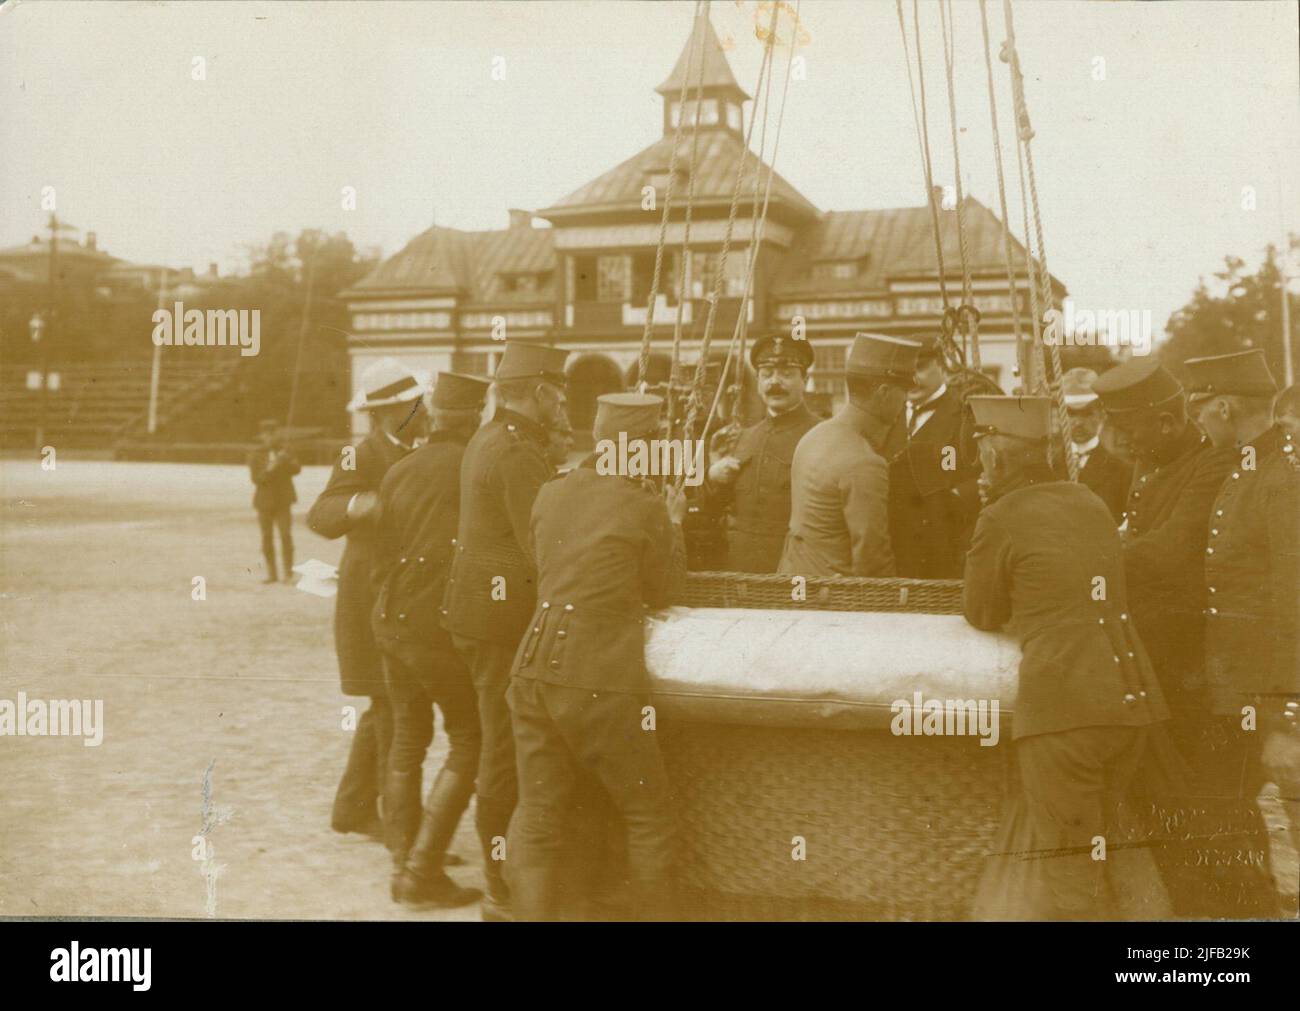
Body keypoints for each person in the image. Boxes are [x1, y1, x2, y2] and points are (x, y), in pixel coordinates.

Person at [962, 395, 1170, 920]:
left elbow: (982, 612)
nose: (978, 458)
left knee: (1072, 874)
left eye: (983, 447)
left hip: (1065, 715)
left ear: (996, 454)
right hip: (1131, 704)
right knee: (1100, 852)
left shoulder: (1000, 516)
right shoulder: (1090, 501)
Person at [507, 392, 688, 921]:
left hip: (534, 666)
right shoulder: (644, 504)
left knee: (539, 817)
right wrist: (673, 525)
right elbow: (665, 591)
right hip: (601, 675)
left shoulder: (550, 492)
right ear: (644, 447)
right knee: (649, 815)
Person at [440, 340, 570, 920]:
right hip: (498, 624)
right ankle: (501, 883)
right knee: (503, 749)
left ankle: (505, 871)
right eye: (559, 394)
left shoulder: (491, 438)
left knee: (500, 742)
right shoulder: (517, 452)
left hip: (475, 615)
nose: (563, 405)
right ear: (540, 393)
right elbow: (541, 544)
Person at [1184, 349, 1298, 917]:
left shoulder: (1283, 475)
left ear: (1225, 407)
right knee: (1225, 806)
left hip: (1266, 695)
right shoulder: (1252, 465)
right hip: (1238, 691)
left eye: (1201, 409)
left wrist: (1285, 716)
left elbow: (1293, 600)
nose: (1198, 422)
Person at [372, 372, 492, 909]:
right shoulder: (472, 468)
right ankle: (421, 873)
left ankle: (404, 863)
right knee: (471, 740)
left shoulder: (399, 469)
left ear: (436, 414)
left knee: (406, 739)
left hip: (392, 620)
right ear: (475, 416)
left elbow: (385, 545)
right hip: (434, 628)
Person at [308, 358, 428, 839]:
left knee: (388, 705)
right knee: (394, 706)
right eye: (415, 404)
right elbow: (321, 515)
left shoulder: (414, 450)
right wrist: (364, 505)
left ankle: (353, 809)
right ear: (387, 413)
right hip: (368, 600)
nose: (425, 410)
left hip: (396, 598)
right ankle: (393, 825)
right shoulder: (362, 454)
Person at [778, 332, 919, 577]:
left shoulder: (814, 436)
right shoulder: (864, 462)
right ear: (884, 393)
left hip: (793, 580)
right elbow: (872, 560)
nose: (906, 401)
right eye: (903, 391)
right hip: (833, 599)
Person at [704, 332, 818, 572]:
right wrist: (713, 477)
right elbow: (718, 508)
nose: (775, 383)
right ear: (757, 381)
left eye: (786, 375)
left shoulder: (820, 435)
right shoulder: (742, 437)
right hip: (739, 568)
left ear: (805, 379)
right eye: (766, 375)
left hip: (792, 569)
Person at [887, 335, 980, 578]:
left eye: (920, 368)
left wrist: (956, 497)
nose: (913, 379)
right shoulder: (887, 415)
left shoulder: (966, 415)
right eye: (905, 371)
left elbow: (983, 478)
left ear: (941, 365)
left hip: (943, 551)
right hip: (895, 550)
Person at [1061, 367, 1132, 523]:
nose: (1078, 422)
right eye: (1071, 413)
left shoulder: (1122, 473)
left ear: (1102, 414)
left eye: (1087, 413)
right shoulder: (1049, 466)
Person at [248, 419, 300, 583]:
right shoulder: (255, 453)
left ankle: (288, 573)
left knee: (285, 536)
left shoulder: (285, 450)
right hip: (264, 502)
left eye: (273, 434)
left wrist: (286, 461)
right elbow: (257, 479)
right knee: (267, 537)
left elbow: (296, 470)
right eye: (267, 434)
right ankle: (272, 574)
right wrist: (272, 467)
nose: (270, 437)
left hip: (283, 500)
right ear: (263, 436)